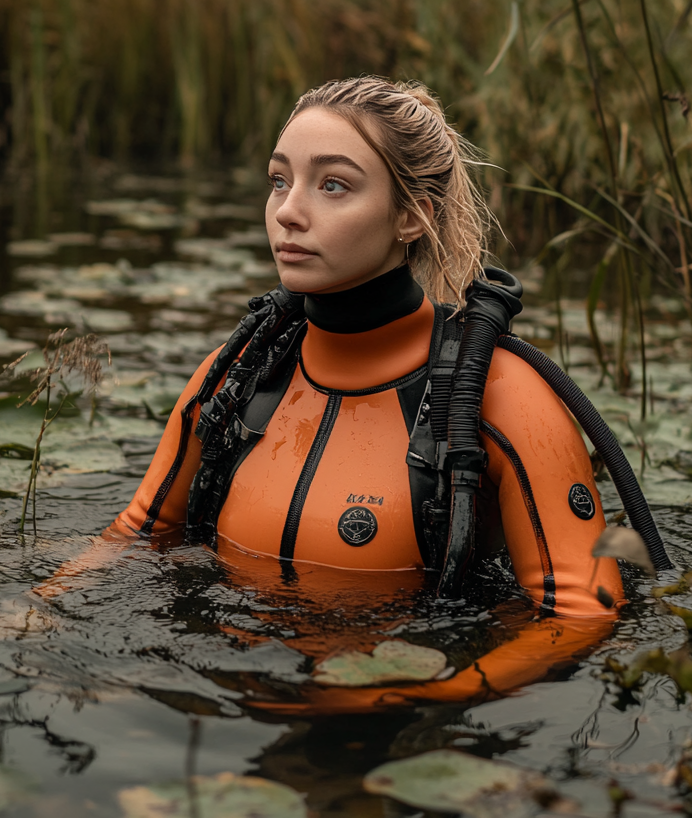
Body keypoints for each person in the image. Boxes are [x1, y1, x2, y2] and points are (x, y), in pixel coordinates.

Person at [43, 75, 641, 713]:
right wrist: (38, 610)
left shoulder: (501, 396)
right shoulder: (238, 372)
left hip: (409, 731)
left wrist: (424, 695)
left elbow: (580, 612)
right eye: (280, 180)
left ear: (411, 216)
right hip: (230, 714)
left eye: (333, 184)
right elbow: (139, 529)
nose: (288, 211)